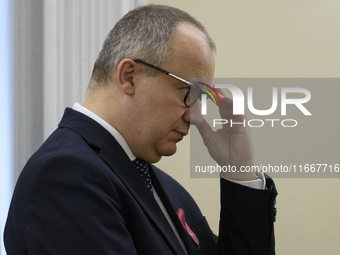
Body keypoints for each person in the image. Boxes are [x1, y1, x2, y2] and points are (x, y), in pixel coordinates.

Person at [4, 4, 277, 255]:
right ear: (129, 76)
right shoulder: (65, 174)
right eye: (188, 91)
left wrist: (239, 171)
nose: (193, 115)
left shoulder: (163, 187)